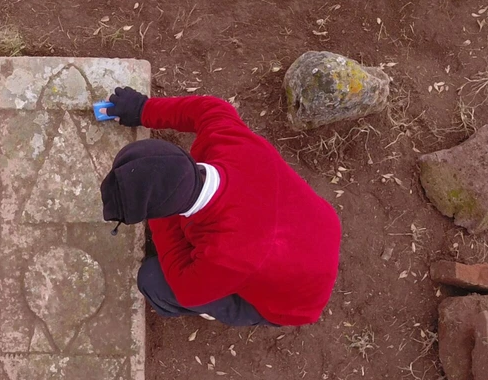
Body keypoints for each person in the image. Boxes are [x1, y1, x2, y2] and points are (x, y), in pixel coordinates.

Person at [96, 87, 342, 327]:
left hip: (294, 302)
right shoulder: (226, 141)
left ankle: (239, 312)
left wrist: (159, 218)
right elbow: (209, 107)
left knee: (153, 280)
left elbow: (186, 290)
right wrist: (143, 108)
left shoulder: (229, 254)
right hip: (316, 229)